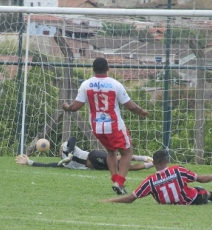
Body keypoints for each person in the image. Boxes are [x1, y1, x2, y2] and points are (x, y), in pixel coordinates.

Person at [61, 57, 149, 195]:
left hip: (97, 127)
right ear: (108, 68)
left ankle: (114, 178)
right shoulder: (115, 85)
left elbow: (75, 107)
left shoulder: (86, 84)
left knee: (111, 152)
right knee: (127, 152)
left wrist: (66, 106)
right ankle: (119, 182)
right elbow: (130, 106)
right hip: (114, 126)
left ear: (93, 69)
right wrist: (141, 111)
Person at [100, 150, 212, 205]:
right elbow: (202, 179)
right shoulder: (178, 170)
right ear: (167, 160)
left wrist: (109, 201)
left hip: (170, 203)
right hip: (192, 200)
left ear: (153, 163)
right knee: (200, 189)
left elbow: (130, 198)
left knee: (193, 189)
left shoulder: (150, 181)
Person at [15, 136, 154, 171]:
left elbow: (72, 140)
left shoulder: (65, 147)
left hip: (93, 156)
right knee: (124, 168)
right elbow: (49, 165)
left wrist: (69, 155)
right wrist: (30, 162)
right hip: (94, 166)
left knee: (118, 160)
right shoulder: (63, 164)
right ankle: (151, 164)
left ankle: (142, 157)